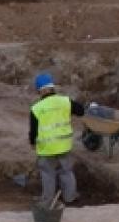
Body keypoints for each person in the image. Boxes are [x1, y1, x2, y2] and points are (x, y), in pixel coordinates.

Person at [29, 72, 85, 207]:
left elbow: (34, 131)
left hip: (47, 149)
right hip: (64, 145)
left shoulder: (36, 108)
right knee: (66, 171)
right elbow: (81, 111)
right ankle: (70, 197)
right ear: (52, 87)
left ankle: (47, 201)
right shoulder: (65, 101)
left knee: (48, 174)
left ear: (40, 90)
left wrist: (32, 143)